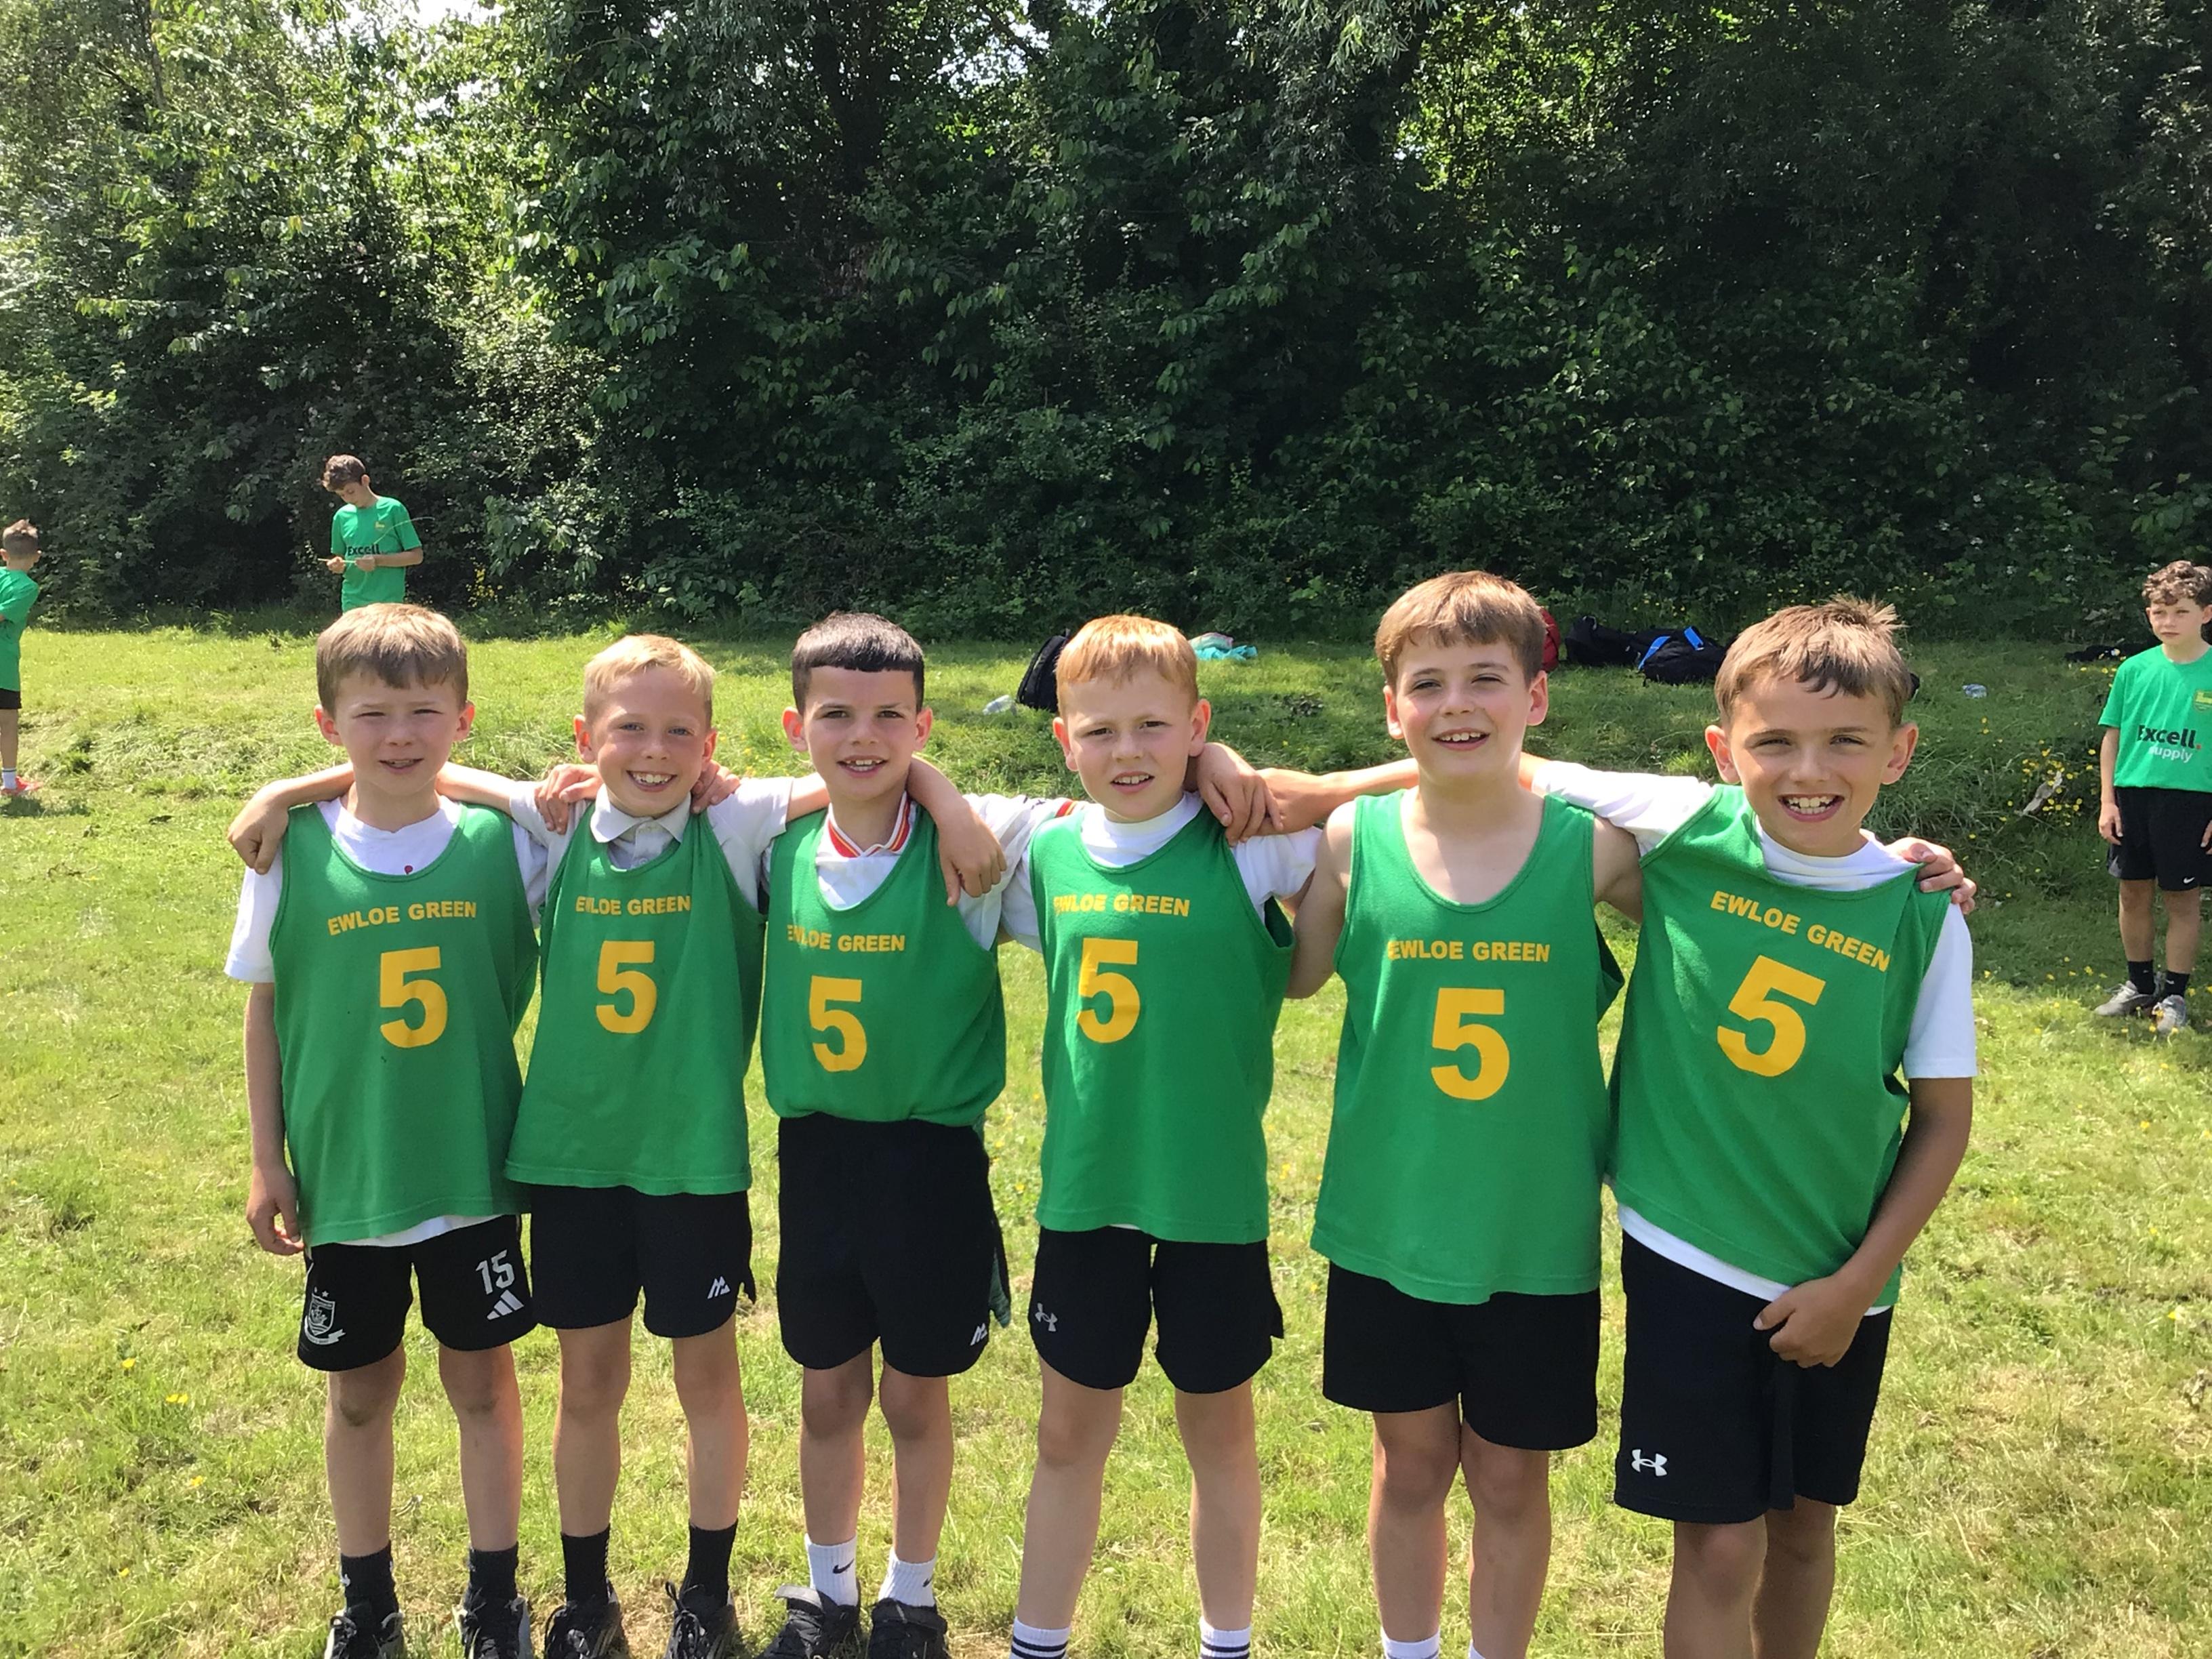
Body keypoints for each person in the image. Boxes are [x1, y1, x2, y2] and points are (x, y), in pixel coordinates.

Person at [228, 632, 1006, 1659]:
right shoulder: (552, 829)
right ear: (585, 741)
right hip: (571, 1165)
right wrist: (285, 790)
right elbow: (425, 769)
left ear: (712, 746)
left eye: (679, 732)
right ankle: (586, 1598)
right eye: (628, 730)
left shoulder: (733, 821)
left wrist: (945, 795)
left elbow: (868, 765)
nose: (653, 751)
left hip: (693, 1164)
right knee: (587, 1388)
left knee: (706, 1388)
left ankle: (705, 1596)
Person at [755, 611, 1280, 1659]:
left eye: (892, 719)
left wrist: (1213, 758)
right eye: (837, 715)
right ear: (794, 724)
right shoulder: (772, 838)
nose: (864, 736)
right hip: (825, 1158)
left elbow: (1158, 798)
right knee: (831, 1394)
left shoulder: (1015, 843)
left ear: (924, 726)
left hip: (951, 1164)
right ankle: (831, 1595)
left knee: (927, 1398)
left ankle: (914, 1601)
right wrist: (938, 790)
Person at [1526, 597, 1977, 1659]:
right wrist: (1262, 780)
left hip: (1841, 1275)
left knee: (1805, 1530)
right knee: (1721, 1548)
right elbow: (1497, 766)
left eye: (1845, 742)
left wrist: (1856, 1285)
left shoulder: (1922, 913)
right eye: (1775, 742)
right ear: (1724, 750)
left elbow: (1943, 1123)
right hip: (1685, 1250)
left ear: (1899, 752)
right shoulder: (1686, 828)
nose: (1808, 770)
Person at [995, 614, 1415, 1659]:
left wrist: (1239, 769)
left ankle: (1227, 1642)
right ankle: (1037, 1640)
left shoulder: (1252, 842)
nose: (1126, 751)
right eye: (1100, 731)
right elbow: (903, 790)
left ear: (1197, 725)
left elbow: (1434, 784)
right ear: (1063, 740)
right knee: (1067, 1436)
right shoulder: (1043, 846)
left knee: (1219, 1435)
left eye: (1155, 726)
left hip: (1211, 1200)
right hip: (1086, 1194)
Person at [1286, 571, 1642, 1659]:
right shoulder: (1350, 843)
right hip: (1389, 1222)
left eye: (1486, 679)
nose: (1456, 705)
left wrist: (1894, 867)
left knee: (1509, 1476)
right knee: (1408, 1467)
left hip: (1532, 1232)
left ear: (1536, 698)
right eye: (1427, 683)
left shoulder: (1596, 849)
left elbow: (1749, 879)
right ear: (1392, 709)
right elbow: (1293, 977)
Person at [224, 604, 540, 1659]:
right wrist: (266, 1158)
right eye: (371, 715)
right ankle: (369, 1605)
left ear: (463, 719)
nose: (399, 735)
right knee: (359, 1398)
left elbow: (601, 804)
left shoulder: (507, 844)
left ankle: (494, 1599)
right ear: (330, 724)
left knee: (482, 1386)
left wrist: (289, 783)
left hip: (472, 1168)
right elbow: (267, 1006)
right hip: (347, 1174)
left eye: (423, 712)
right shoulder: (287, 849)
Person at [2093, 558, 2212, 1033]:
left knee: (2182, 899)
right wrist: (2108, 801)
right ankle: (2139, 985)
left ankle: (2175, 995)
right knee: (2132, 892)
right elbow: (2113, 738)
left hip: (2191, 801)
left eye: (2181, 612)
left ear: (2206, 614)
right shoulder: (2133, 669)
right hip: (2132, 797)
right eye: (2159, 613)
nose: (2168, 622)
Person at [323, 455, 424, 613]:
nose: (348, 499)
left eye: (351, 492)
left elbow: (416, 556)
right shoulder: (341, 516)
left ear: (365, 481)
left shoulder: (393, 509)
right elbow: (340, 557)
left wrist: (377, 560)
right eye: (342, 495)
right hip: (352, 603)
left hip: (388, 604)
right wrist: (337, 565)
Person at [1, 517, 41, 796]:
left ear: (3, 554)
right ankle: (10, 783)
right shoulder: (27, 587)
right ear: (36, 557)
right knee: (7, 723)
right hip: (3, 665)